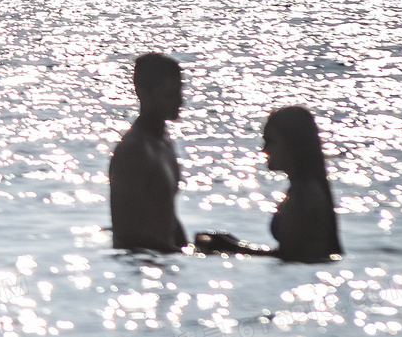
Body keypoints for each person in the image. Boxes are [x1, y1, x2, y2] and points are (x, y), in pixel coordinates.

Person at [194, 105, 343, 262]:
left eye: (270, 142)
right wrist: (233, 243)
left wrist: (231, 247)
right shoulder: (303, 188)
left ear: (291, 144)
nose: (264, 150)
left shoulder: (304, 193)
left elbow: (289, 255)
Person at [108, 52, 188, 252]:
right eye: (170, 94)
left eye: (180, 92)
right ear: (143, 93)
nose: (180, 102)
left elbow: (165, 210)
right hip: (137, 268)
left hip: (166, 263)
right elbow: (126, 233)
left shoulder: (164, 141)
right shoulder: (134, 151)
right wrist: (178, 253)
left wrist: (189, 250)